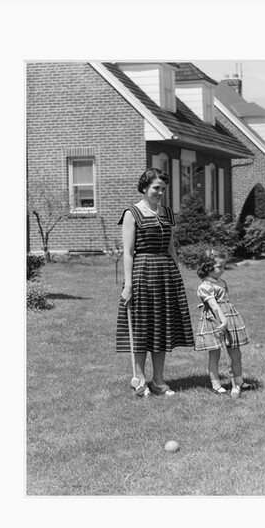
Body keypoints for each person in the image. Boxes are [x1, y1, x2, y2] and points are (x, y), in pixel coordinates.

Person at [115, 168, 194, 397]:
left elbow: (170, 246)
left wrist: (176, 271)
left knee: (161, 327)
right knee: (142, 327)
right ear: (144, 188)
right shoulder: (132, 213)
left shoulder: (167, 213)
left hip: (165, 273)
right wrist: (128, 285)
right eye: (156, 188)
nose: (160, 192)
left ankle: (159, 381)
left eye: (163, 189)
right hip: (142, 271)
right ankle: (139, 379)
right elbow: (128, 252)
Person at [194, 246, 250, 398]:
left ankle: (238, 381)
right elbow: (213, 305)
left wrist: (228, 319)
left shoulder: (221, 282)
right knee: (215, 354)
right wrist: (223, 320)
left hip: (229, 320)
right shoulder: (204, 287)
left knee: (235, 353)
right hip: (215, 321)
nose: (223, 269)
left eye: (224, 266)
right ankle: (216, 384)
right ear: (207, 266)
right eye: (220, 266)